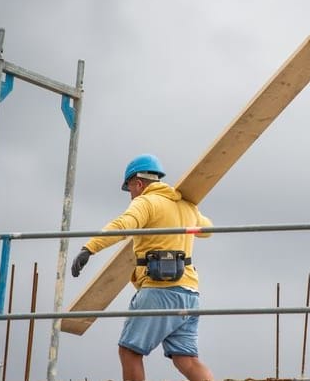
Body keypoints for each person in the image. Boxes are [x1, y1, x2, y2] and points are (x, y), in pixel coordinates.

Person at [71, 154, 214, 381]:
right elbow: (208, 230)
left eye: (129, 189)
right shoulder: (187, 206)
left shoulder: (145, 202)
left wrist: (90, 248)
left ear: (138, 183)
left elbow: (123, 225)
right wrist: (186, 215)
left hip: (160, 291)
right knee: (186, 360)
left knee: (129, 352)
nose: (130, 195)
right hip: (189, 294)